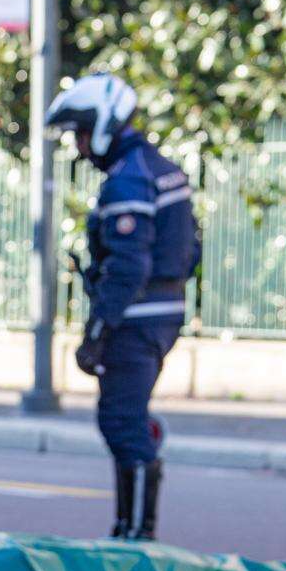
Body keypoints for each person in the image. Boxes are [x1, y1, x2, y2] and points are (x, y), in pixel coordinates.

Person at [45, 73, 201, 540]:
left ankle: (134, 535)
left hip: (136, 319)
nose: (80, 146)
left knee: (121, 420)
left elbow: (128, 267)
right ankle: (130, 528)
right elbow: (191, 252)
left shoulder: (128, 181)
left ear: (104, 124)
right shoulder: (159, 168)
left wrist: (98, 330)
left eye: (82, 132)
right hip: (163, 312)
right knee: (127, 417)